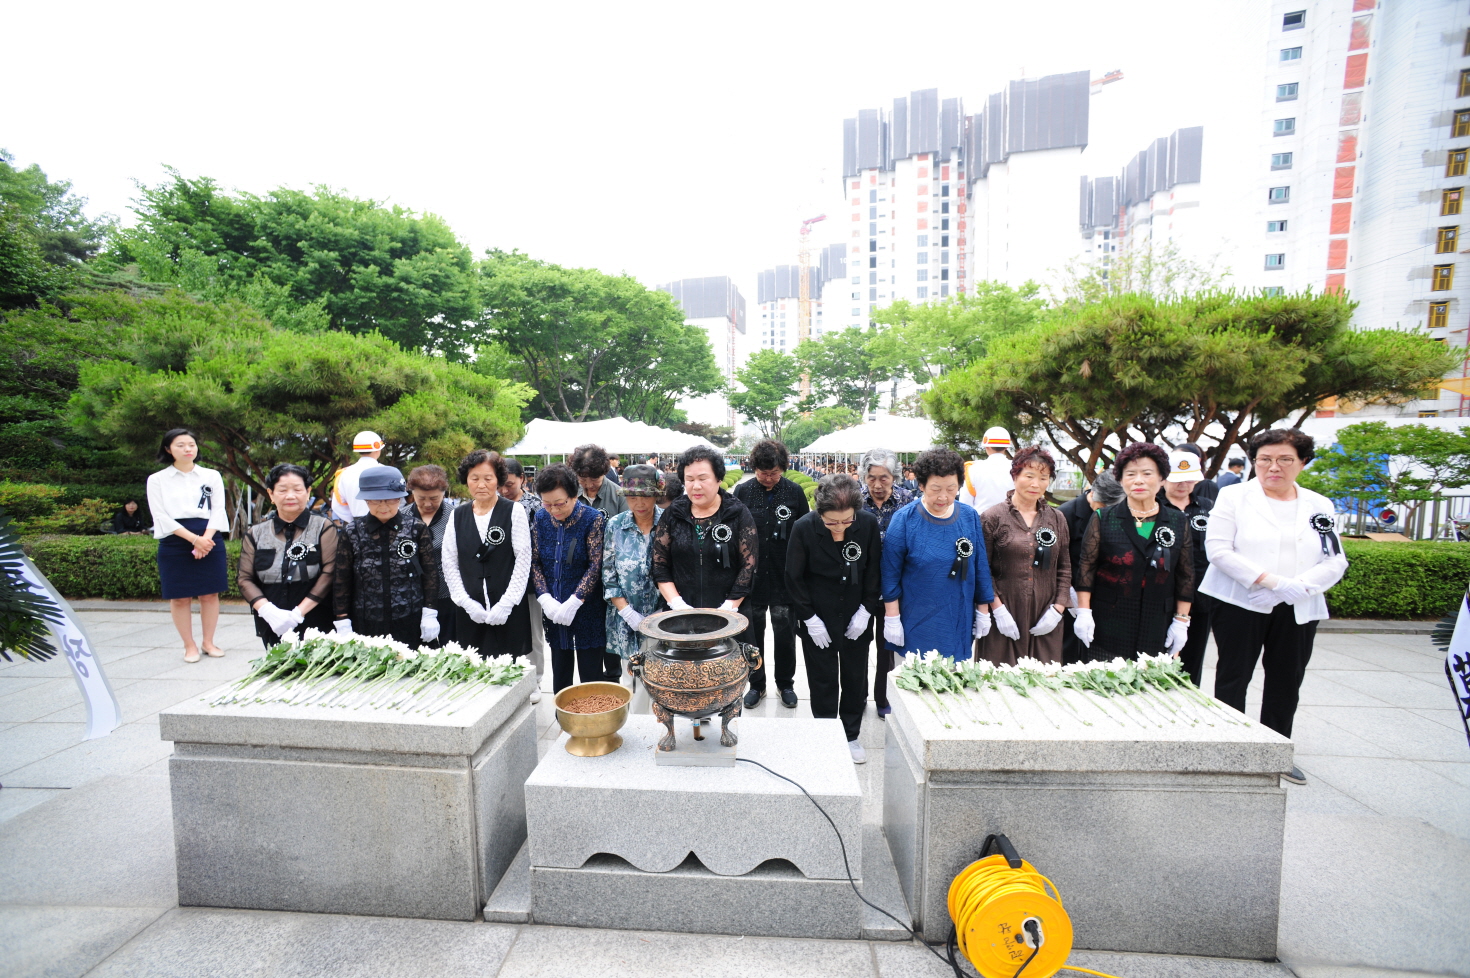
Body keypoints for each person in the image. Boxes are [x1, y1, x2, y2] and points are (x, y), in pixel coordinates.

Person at [1200, 428, 1349, 784]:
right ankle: (1231, 749)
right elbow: (1219, 550)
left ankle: (1275, 751)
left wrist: (1297, 588)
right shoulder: (1234, 496)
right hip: (1242, 601)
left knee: (1287, 679)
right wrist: (1272, 582)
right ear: (1254, 461)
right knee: (1234, 676)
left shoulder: (1319, 505)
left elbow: (1335, 559)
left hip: (1298, 606)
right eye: (1264, 459)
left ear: (1302, 463)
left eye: (1285, 459)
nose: (1273, 467)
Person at [786, 475, 882, 763]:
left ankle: (850, 734)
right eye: (831, 523)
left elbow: (874, 570)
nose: (839, 528)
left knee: (855, 677)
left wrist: (867, 610)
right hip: (819, 613)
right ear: (819, 513)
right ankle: (826, 732)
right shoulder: (803, 528)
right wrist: (809, 618)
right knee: (823, 678)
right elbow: (793, 577)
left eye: (846, 521)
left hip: (856, 613)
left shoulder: (866, 524)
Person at [1073, 443, 1193, 661]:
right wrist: (1084, 611)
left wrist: (1181, 621)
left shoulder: (1177, 521)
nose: (1139, 480)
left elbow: (1185, 574)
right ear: (1121, 480)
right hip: (1109, 622)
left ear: (1162, 479)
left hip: (1157, 623)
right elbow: (1086, 568)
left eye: (1147, 473)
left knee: (1151, 689)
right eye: (1131, 474)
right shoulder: (1103, 518)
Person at [880, 448, 995, 663]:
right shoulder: (904, 519)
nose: (944, 496)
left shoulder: (969, 516)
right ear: (921, 485)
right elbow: (890, 573)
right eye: (935, 489)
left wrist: (983, 610)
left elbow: (980, 566)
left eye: (951, 489)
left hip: (958, 615)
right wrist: (892, 617)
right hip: (916, 617)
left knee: (952, 684)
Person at [732, 439, 809, 709]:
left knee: (785, 631)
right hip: (751, 577)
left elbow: (805, 535)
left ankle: (785, 683)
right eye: (763, 473)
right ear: (754, 468)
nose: (769, 478)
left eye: (774, 473)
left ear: (783, 468)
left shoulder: (795, 492)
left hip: (784, 574)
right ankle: (757, 684)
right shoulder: (742, 491)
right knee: (752, 634)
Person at [979, 446, 1072, 665]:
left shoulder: (1057, 519)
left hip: (1045, 611)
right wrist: (997, 609)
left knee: (1044, 683)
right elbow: (982, 568)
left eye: (1043, 477)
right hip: (1005, 609)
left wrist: (1058, 609)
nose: (1035, 484)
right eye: (1029, 476)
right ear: (1015, 476)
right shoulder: (992, 517)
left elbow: (1065, 567)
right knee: (998, 682)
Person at [441, 450, 533, 667]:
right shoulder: (457, 514)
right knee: (475, 667)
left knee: (510, 665)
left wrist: (507, 603)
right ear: (466, 481)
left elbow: (522, 559)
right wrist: (465, 602)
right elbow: (449, 562)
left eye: (488, 478)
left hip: (507, 605)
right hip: (471, 608)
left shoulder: (514, 510)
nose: (481, 484)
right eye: (474, 478)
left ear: (498, 481)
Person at [332, 466, 442, 646]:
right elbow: (342, 578)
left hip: (409, 617)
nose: (383, 506)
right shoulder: (352, 532)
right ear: (366, 500)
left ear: (400, 498)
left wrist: (430, 613)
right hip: (366, 620)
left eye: (390, 500)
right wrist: (342, 619)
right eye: (376, 501)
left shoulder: (416, 528)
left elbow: (430, 573)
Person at [146, 428, 229, 662]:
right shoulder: (157, 480)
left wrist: (206, 539)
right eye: (180, 445)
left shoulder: (211, 476)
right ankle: (189, 645)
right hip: (175, 540)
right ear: (168, 449)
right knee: (180, 597)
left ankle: (208, 642)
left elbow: (218, 509)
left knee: (210, 594)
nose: (187, 449)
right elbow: (160, 516)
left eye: (191, 444)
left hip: (209, 538)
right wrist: (194, 539)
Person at [239, 463, 338, 649]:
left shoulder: (323, 527)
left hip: (315, 616)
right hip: (271, 620)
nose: (290, 496)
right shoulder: (256, 533)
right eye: (282, 490)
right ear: (271, 494)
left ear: (307, 492)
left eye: (297, 489)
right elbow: (245, 578)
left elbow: (330, 572)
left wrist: (298, 613)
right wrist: (267, 611)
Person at [651, 445, 757, 614]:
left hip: (731, 613)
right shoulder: (674, 513)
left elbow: (748, 566)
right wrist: (677, 603)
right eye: (690, 480)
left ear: (718, 479)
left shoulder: (737, 513)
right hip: (682, 613)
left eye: (703, 478)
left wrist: (729, 606)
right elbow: (659, 565)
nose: (696, 486)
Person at [530, 463, 609, 692]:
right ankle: (563, 721)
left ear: (574, 496)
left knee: (591, 675)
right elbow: (535, 561)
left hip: (587, 609)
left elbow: (596, 565)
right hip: (554, 608)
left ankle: (592, 724)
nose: (553, 510)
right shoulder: (541, 518)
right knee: (561, 673)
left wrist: (576, 600)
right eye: (547, 503)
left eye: (559, 503)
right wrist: (545, 598)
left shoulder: (592, 519)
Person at [857, 447, 914, 717]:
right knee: (856, 645)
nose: (878, 485)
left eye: (885, 478)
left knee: (887, 648)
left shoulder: (908, 501)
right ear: (863, 477)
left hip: (895, 589)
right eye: (872, 478)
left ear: (895, 477)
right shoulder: (855, 501)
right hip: (861, 589)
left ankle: (883, 698)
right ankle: (857, 699)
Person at [602, 464, 664, 681]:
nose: (639, 503)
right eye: (632, 496)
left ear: (656, 494)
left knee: (662, 683)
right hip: (625, 620)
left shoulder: (668, 523)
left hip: (663, 619)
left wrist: (661, 613)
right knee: (632, 686)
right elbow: (608, 574)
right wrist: (628, 614)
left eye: (645, 496)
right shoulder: (615, 526)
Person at [1159, 450, 1215, 687]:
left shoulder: (1208, 508)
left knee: (1193, 657)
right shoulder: (1153, 506)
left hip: (1201, 594)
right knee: (1158, 655)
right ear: (1163, 478)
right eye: (1177, 478)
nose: (1183, 484)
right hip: (1162, 593)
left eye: (1189, 479)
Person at [1058, 471, 1124, 664]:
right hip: (1070, 596)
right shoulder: (1066, 514)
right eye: (1101, 505)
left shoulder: (1119, 515)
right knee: (1069, 653)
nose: (1103, 511)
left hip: (1104, 596)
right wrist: (1071, 597)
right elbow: (1058, 562)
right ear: (1092, 492)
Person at [402, 465, 457, 645]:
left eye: (434, 498)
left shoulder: (456, 516)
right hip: (412, 595)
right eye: (421, 498)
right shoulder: (401, 516)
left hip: (448, 594)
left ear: (444, 492)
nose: (427, 504)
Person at [330, 430, 385, 523]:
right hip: (384, 524)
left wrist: (354, 521)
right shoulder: (388, 472)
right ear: (377, 447)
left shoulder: (344, 474)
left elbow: (337, 506)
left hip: (355, 525)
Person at [960, 427, 1014, 512]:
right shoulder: (1018, 468)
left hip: (981, 522)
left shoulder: (972, 469)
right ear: (1006, 447)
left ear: (986, 446)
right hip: (1012, 522)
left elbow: (965, 504)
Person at [570, 444, 628, 517]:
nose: (589, 485)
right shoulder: (570, 494)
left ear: (604, 472)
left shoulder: (620, 496)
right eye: (583, 479)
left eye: (594, 479)